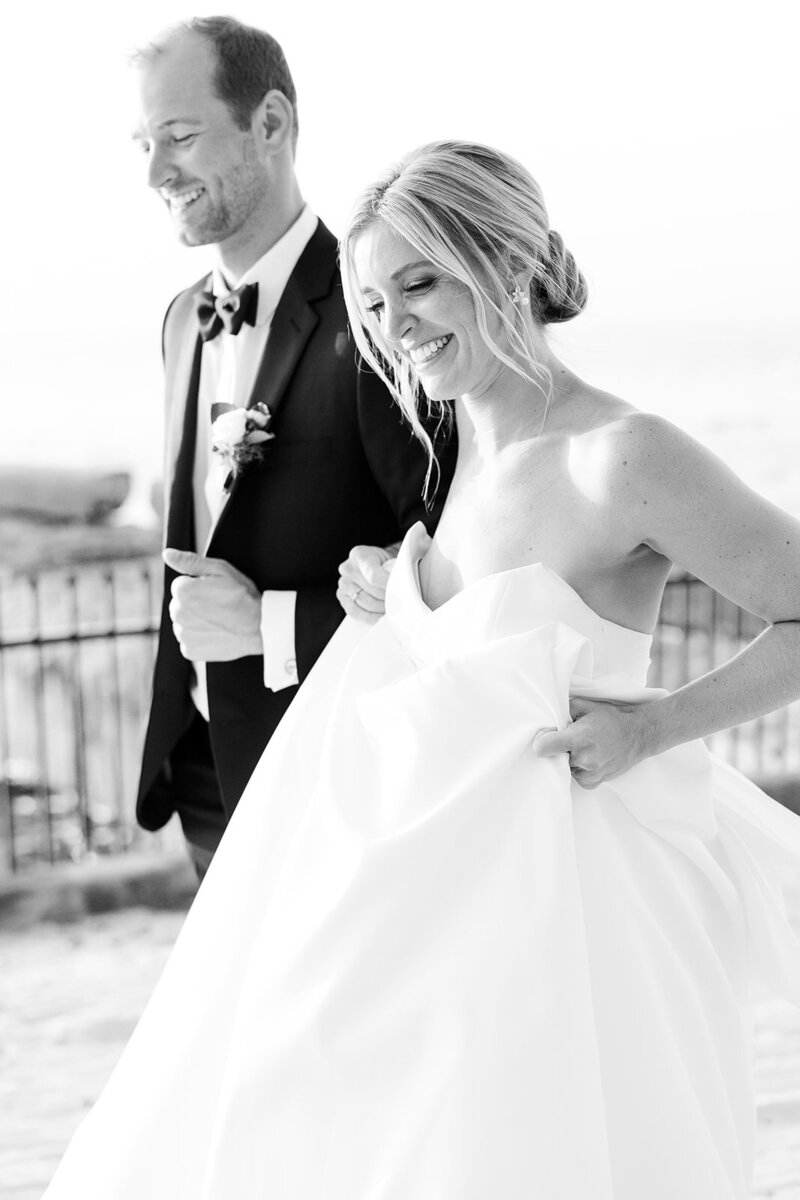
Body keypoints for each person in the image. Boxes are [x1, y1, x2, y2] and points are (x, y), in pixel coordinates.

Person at [44, 141, 800, 1199]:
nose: (395, 327)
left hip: (567, 914)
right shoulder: (465, 453)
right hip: (427, 905)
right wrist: (389, 590)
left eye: (419, 281)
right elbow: (467, 647)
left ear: (505, 260)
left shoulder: (619, 455)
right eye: (371, 300)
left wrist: (651, 726)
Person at [132, 17, 452, 878]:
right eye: (145, 142)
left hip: (329, 765)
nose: (157, 171)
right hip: (201, 766)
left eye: (181, 136)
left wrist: (271, 624)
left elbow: (450, 555)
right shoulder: (177, 321)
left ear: (270, 124)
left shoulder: (382, 312)